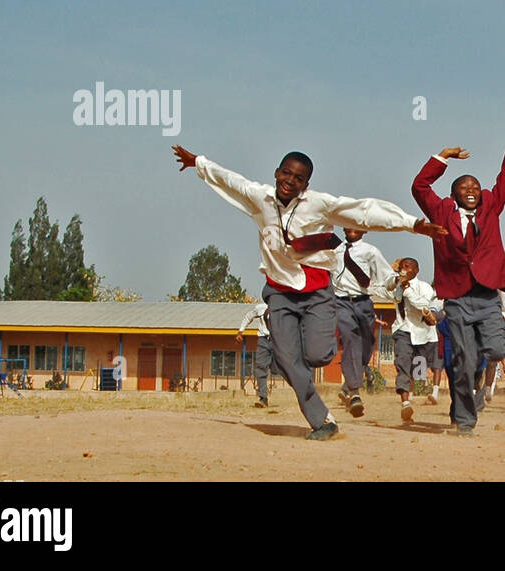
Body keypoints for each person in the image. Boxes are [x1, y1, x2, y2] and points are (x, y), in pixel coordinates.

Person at [172, 144, 447, 440]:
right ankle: (323, 421)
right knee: (287, 361)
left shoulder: (318, 204)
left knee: (318, 354)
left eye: (298, 178)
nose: (290, 181)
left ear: (306, 184)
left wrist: (411, 224)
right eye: (286, 173)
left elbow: (363, 211)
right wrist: (198, 162)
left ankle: (298, 355)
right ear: (276, 173)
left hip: (316, 290)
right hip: (279, 292)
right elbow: (230, 180)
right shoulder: (260, 197)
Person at [411, 120, 505, 436]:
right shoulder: (441, 211)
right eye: (465, 188)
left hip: (487, 296)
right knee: (462, 362)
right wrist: (442, 157)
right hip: (458, 299)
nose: (472, 191)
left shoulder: (491, 206)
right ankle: (464, 420)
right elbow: (419, 187)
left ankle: (477, 380)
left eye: (475, 187)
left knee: (497, 351)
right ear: (453, 195)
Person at [332, 227, 395, 419]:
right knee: (349, 339)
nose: (352, 228)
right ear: (343, 226)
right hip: (341, 302)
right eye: (349, 223)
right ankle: (354, 393)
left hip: (363, 303)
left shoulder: (370, 251)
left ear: (365, 229)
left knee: (366, 347)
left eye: (357, 224)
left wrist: (396, 281)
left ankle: (347, 387)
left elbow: (386, 275)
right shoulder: (333, 250)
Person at [387, 257, 442, 423]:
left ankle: (432, 392)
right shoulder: (396, 285)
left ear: (416, 270)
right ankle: (405, 403)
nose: (405, 270)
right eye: (402, 267)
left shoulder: (424, 287)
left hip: (423, 334)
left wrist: (408, 290)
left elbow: (423, 305)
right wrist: (395, 279)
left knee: (421, 368)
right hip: (402, 330)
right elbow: (385, 285)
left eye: (408, 267)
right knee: (402, 363)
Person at [236, 302, 275, 408]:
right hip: (263, 340)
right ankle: (263, 398)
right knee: (260, 367)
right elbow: (248, 316)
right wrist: (240, 331)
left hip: (278, 340)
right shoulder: (261, 308)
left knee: (280, 367)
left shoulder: (284, 306)